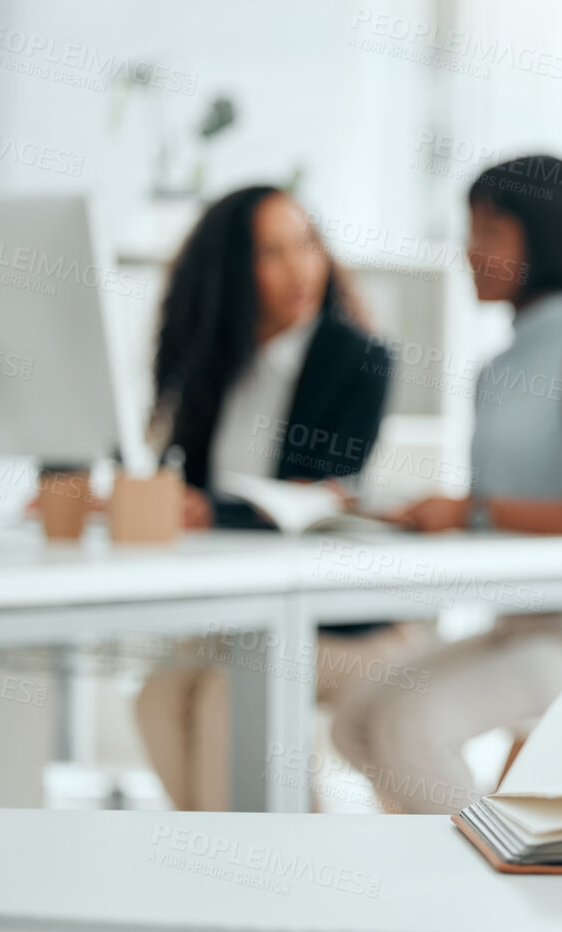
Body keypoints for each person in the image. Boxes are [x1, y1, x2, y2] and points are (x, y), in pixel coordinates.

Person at [328, 154, 562, 814]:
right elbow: (495, 515)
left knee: (405, 728)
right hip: (517, 619)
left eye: (488, 233)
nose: (468, 252)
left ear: (544, 240)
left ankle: (481, 894)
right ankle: (441, 890)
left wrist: (471, 510)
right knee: (353, 721)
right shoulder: (495, 371)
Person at [133, 185, 424, 810]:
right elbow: (177, 477)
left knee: (228, 702)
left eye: (308, 246)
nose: (300, 270)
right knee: (157, 698)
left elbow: (317, 494)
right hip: (243, 616)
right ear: (234, 271)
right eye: (273, 253)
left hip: (343, 622)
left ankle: (282, 881)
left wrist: (215, 510)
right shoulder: (215, 365)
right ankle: (216, 873)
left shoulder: (358, 359)